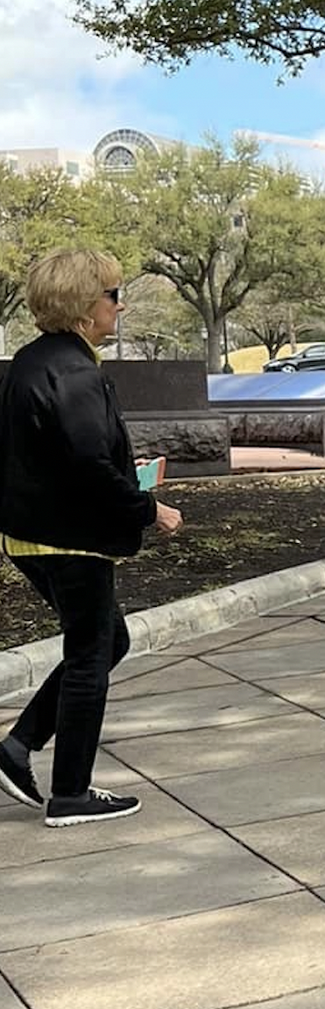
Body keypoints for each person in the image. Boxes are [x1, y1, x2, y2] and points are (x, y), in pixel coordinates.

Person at [0, 249, 183, 826]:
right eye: (111, 294)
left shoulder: (32, 361)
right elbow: (88, 465)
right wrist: (148, 507)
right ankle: (70, 794)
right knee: (90, 655)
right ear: (84, 307)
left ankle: (15, 748)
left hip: (32, 535)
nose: (119, 305)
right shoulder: (76, 373)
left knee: (108, 642)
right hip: (69, 538)